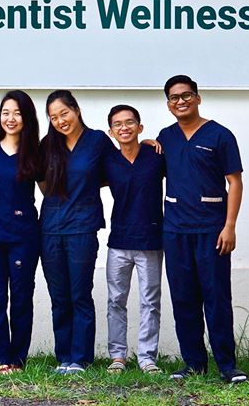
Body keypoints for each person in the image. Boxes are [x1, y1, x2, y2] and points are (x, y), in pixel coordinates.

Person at [157, 74, 247, 384]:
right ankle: (193, 363)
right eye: (174, 98)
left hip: (212, 231)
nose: (180, 101)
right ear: (168, 105)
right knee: (183, 299)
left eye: (186, 95)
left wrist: (229, 226)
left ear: (198, 97)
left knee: (216, 298)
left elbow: (234, 181)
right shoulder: (165, 138)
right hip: (176, 231)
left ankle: (227, 365)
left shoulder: (220, 135)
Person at [39, 90, 112, 374]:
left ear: (76, 110)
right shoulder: (48, 145)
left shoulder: (97, 142)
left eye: (64, 113)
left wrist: (147, 143)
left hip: (82, 228)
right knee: (59, 295)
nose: (60, 121)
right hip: (50, 229)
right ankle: (64, 358)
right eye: (54, 117)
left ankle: (80, 359)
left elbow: (117, 169)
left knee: (80, 294)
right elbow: (42, 183)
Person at [0, 90, 42, 375]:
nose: (10, 118)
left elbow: (56, 186)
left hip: (24, 235)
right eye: (6, 112)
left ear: (27, 117)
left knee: (21, 297)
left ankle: (18, 357)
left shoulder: (37, 151)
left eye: (17, 112)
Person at [103, 105, 166, 375]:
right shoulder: (108, 161)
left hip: (151, 240)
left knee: (150, 301)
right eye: (118, 124)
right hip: (118, 240)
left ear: (140, 127)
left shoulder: (156, 155)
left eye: (130, 123)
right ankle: (118, 356)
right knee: (116, 300)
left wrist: (154, 142)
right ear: (111, 131)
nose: (124, 128)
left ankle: (147, 358)